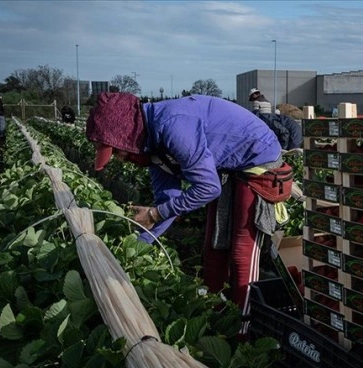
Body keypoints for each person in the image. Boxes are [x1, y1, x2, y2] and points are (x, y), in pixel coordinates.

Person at [86, 92, 285, 331]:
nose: (119, 159)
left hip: (257, 156)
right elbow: (167, 201)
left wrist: (154, 214)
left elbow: (207, 188)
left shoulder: (173, 126)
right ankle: (214, 317)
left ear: (127, 137)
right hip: (226, 165)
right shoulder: (153, 148)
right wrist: (138, 244)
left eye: (116, 152)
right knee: (214, 246)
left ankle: (244, 329)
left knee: (242, 251)